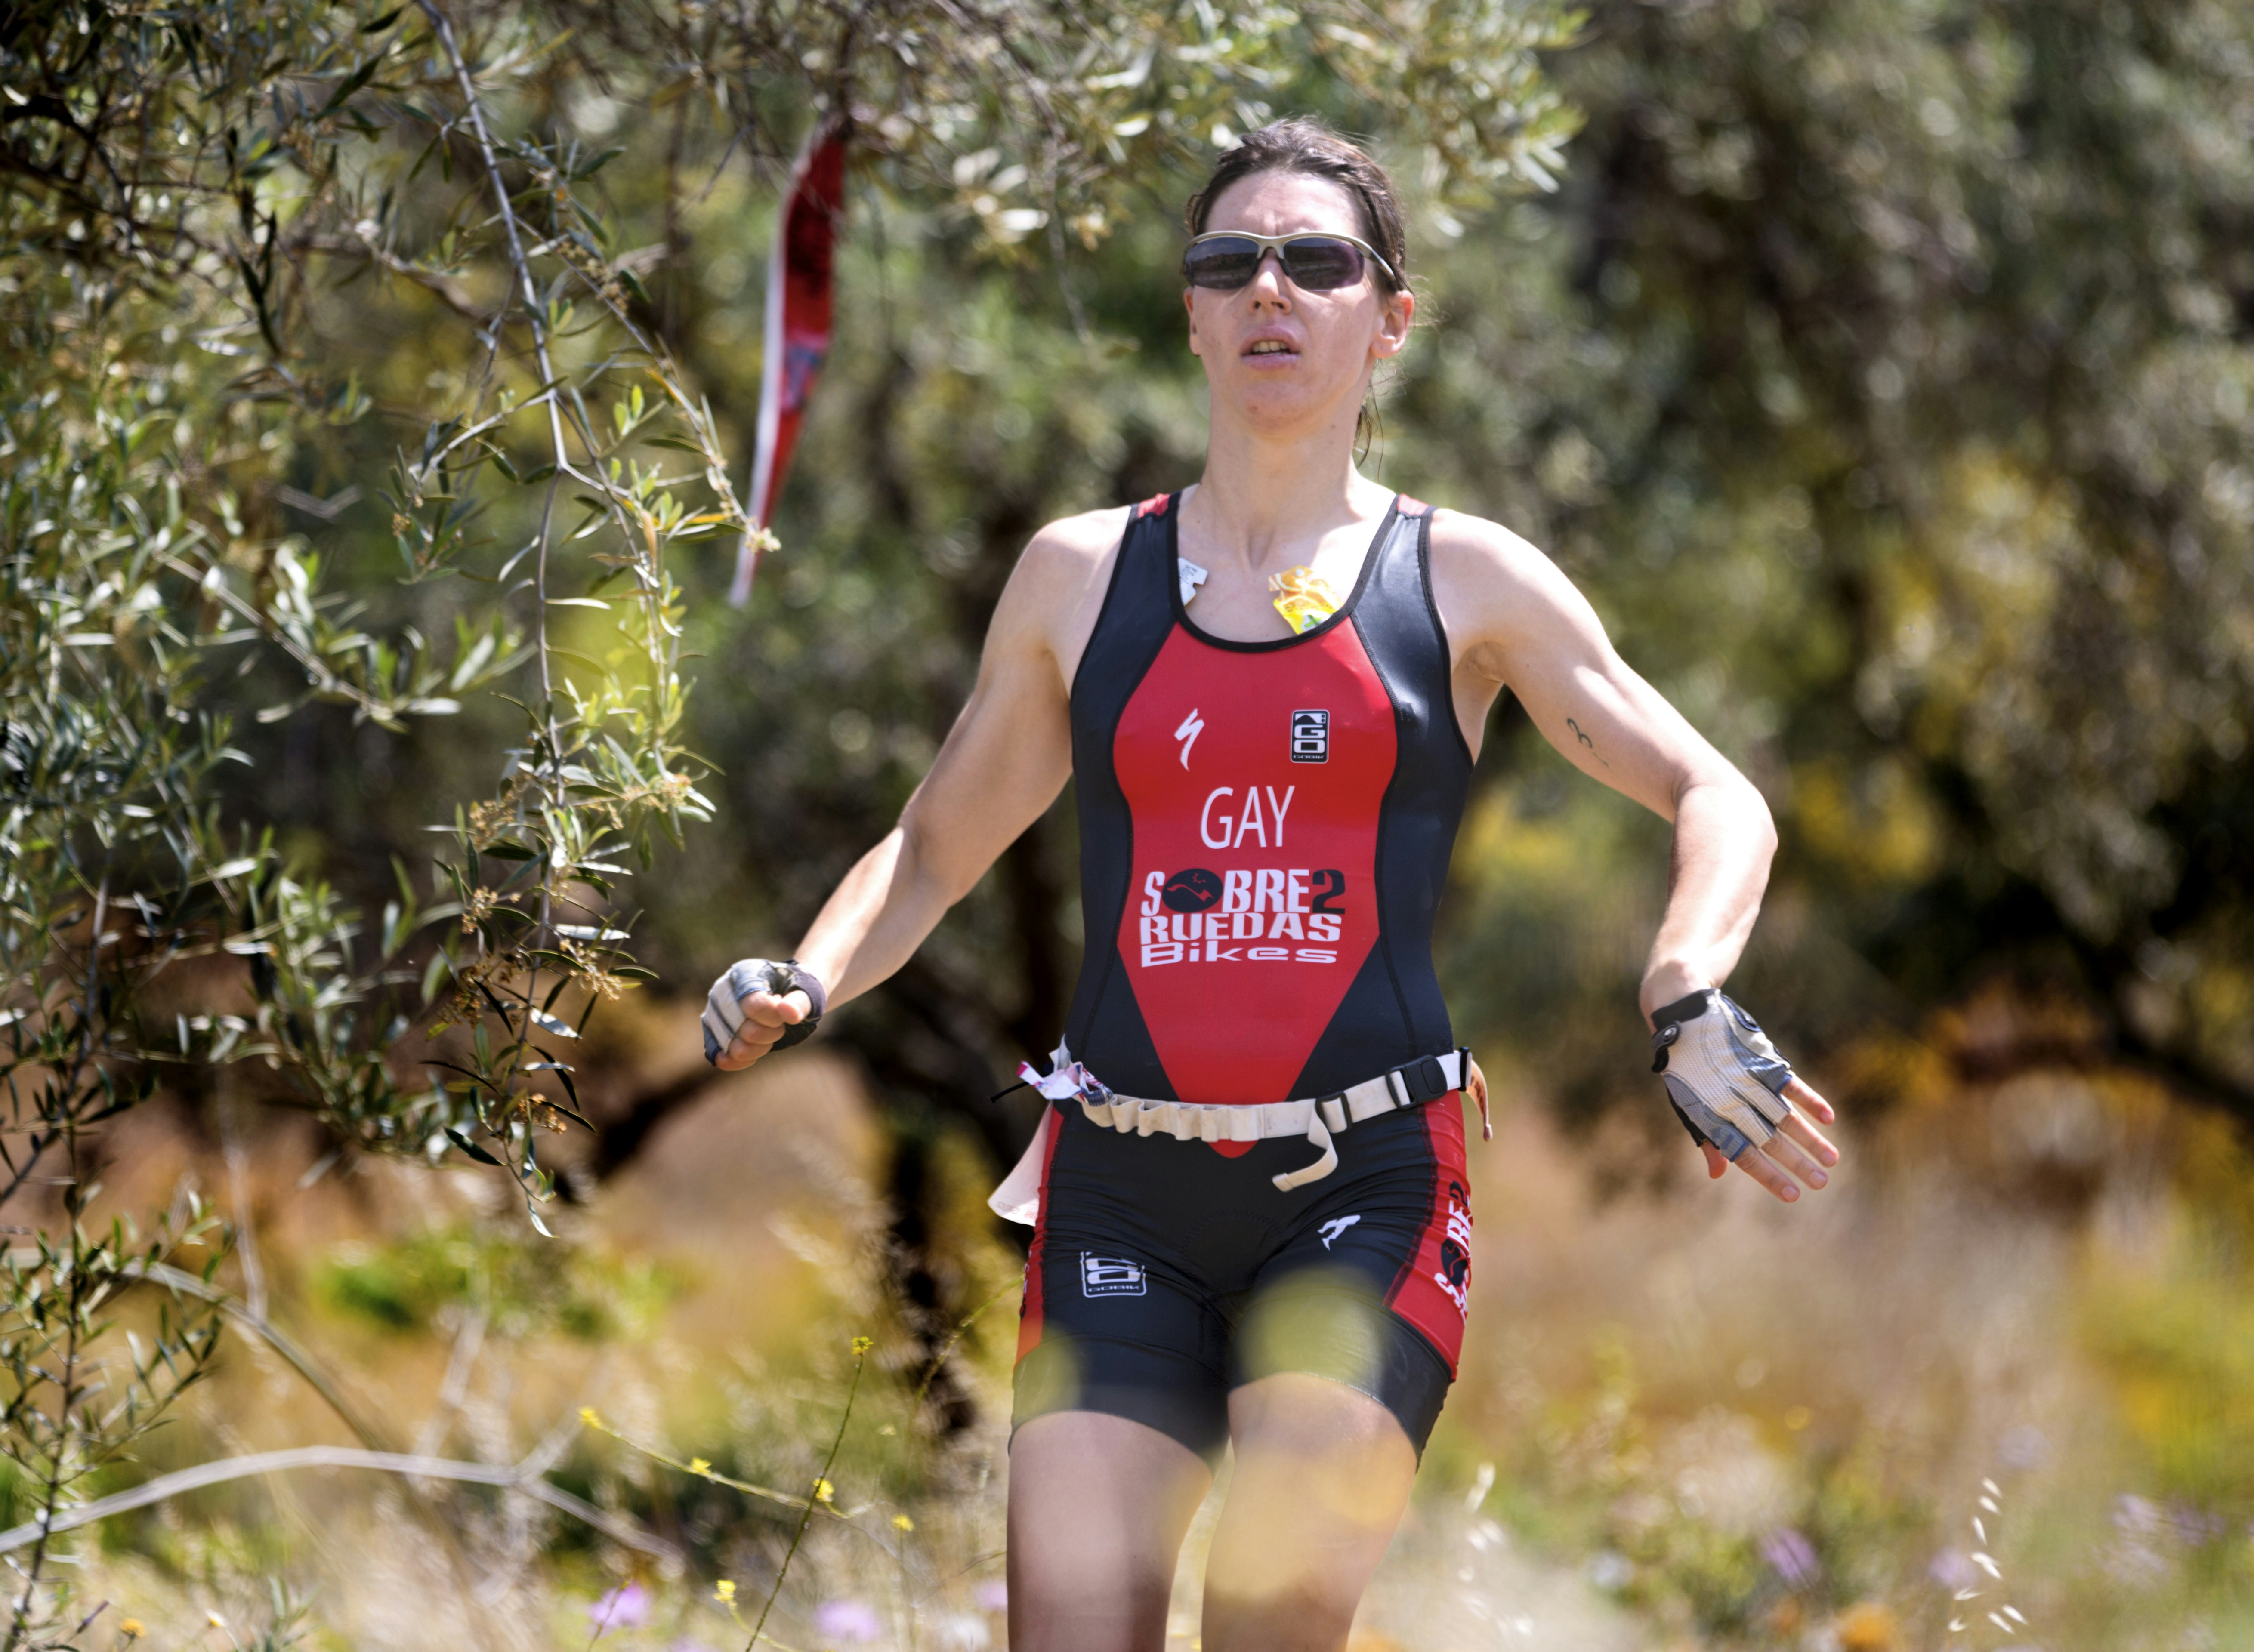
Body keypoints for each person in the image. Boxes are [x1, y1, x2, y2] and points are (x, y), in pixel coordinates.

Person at [700, 117, 1840, 1652]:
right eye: (1230, 262)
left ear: (1391, 317)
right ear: (1189, 310)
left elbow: (1717, 791)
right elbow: (931, 845)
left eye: (1318, 263)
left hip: (1363, 1192)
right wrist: (813, 972)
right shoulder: (1078, 577)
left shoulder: (1464, 580)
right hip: (1120, 1188)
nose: (1271, 293)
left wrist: (1682, 984)